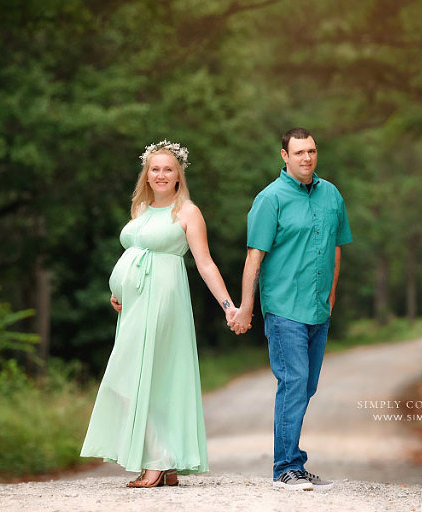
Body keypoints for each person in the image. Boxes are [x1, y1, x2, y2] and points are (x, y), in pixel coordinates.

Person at [81, 140, 237, 488]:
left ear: (178, 175)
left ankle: (157, 460)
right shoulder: (140, 208)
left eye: (169, 169)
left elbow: (205, 263)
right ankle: (163, 460)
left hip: (165, 300)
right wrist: (118, 290)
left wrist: (229, 306)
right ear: (147, 175)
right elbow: (134, 255)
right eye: (155, 169)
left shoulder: (187, 212)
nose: (162, 175)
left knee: (144, 375)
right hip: (134, 305)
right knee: (131, 377)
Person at [229, 128, 352, 491]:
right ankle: (285, 468)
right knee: (294, 381)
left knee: (307, 385)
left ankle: (293, 461)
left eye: (312, 151)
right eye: (299, 152)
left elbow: (336, 246)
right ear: (284, 156)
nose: (307, 158)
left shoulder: (331, 194)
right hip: (284, 308)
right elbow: (254, 257)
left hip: (318, 308)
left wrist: (331, 295)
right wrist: (247, 308)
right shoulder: (271, 199)